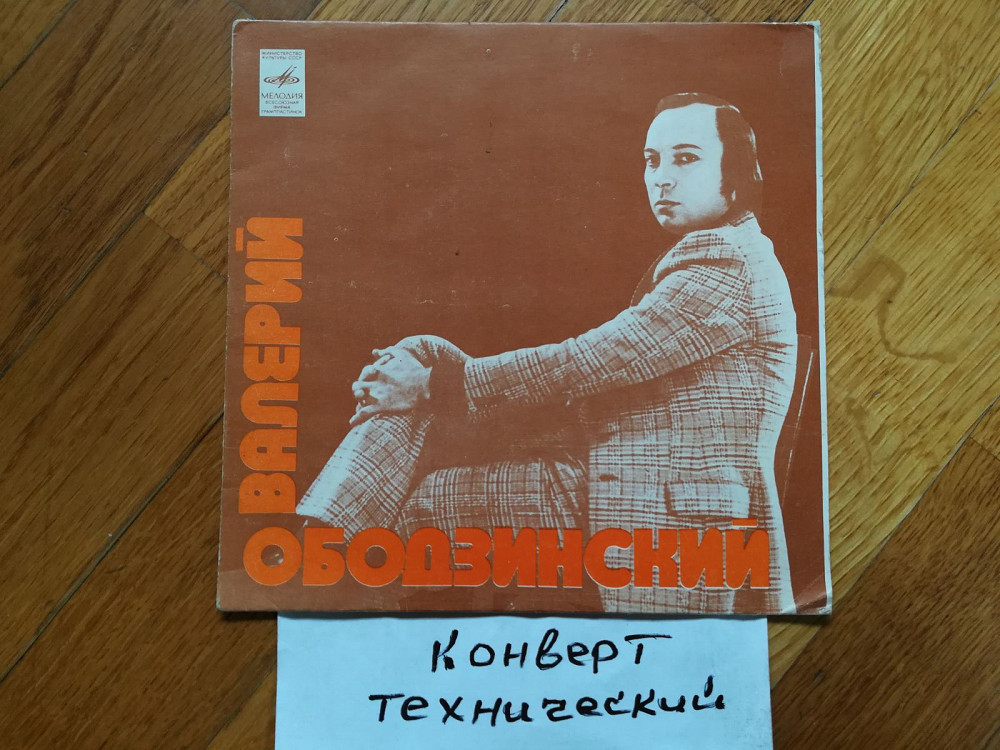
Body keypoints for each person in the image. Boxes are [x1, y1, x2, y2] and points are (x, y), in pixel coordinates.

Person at [350, 93, 798, 613]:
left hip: (668, 512)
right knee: (422, 364)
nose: (661, 179)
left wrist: (436, 387)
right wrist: (436, 383)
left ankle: (332, 527)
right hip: (633, 479)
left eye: (686, 158)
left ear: (736, 174)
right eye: (652, 161)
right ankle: (335, 516)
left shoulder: (723, 260)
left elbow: (590, 361)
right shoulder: (728, 250)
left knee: (430, 500)